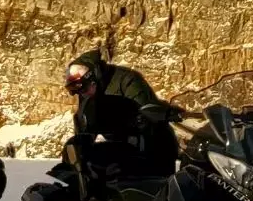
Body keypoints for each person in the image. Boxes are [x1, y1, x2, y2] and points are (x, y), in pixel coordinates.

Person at [63, 49, 178, 190]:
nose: (82, 93)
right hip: (121, 147)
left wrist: (132, 121)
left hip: (152, 147)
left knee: (148, 197)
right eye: (77, 91)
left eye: (84, 88)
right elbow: (86, 125)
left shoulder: (127, 80)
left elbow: (146, 115)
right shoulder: (88, 95)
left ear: (93, 78)